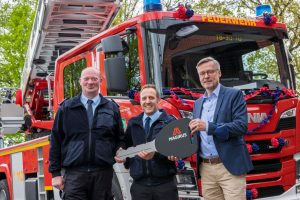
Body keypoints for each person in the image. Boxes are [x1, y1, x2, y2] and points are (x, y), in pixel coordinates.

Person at [49, 67, 125, 200]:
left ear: (100, 81)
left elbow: (120, 137)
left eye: (94, 79)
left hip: (103, 173)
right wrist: (55, 173)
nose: (90, 82)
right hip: (74, 174)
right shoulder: (66, 108)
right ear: (80, 81)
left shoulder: (111, 108)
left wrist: (121, 149)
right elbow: (56, 140)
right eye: (86, 79)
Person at [189, 57, 253, 200]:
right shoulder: (197, 103)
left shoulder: (234, 94)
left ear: (219, 73)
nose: (206, 76)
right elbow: (196, 137)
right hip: (206, 169)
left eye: (210, 72)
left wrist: (208, 127)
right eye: (202, 73)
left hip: (229, 167)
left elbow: (241, 126)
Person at [115, 84, 179, 200]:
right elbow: (126, 145)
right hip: (140, 187)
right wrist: (122, 154)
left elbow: (179, 148)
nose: (147, 101)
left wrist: (157, 154)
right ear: (140, 101)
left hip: (165, 186)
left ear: (158, 100)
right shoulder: (133, 123)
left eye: (151, 98)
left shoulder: (170, 122)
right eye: (144, 98)